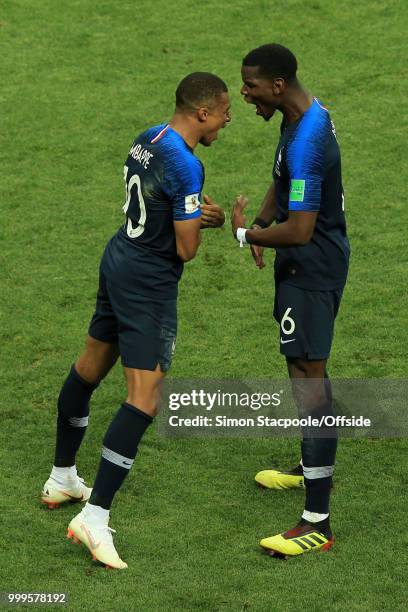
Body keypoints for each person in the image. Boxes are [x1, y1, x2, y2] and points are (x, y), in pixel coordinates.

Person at [41, 72, 230, 569]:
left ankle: (62, 477)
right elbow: (186, 250)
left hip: (119, 256)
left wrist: (187, 214)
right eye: (224, 112)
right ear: (203, 113)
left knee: (88, 367)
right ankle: (95, 517)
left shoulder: (149, 136)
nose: (229, 120)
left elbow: (153, 203)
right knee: (144, 397)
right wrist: (206, 222)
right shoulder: (189, 167)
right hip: (147, 282)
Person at [231, 44, 349, 558]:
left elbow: (299, 229)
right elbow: (283, 183)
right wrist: (261, 223)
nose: (244, 93)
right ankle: (309, 467)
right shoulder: (304, 115)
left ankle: (317, 520)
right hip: (308, 264)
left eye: (251, 85)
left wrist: (244, 237)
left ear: (277, 85)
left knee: (309, 377)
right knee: (301, 371)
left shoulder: (308, 139)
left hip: (312, 266)